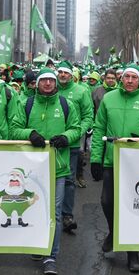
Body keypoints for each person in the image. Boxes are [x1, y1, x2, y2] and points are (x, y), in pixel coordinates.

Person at [91, 65, 139, 273]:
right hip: (111, 160)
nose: (131, 80)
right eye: (127, 77)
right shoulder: (109, 99)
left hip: (137, 163)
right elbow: (99, 129)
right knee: (107, 201)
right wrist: (95, 159)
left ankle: (133, 254)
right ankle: (114, 232)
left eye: (134, 77)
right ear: (120, 79)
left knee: (133, 208)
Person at [10, 68, 81, 275]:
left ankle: (51, 255)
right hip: (31, 169)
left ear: (56, 83)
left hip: (58, 168)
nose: (48, 84)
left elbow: (77, 128)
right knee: (33, 208)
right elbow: (13, 129)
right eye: (44, 81)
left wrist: (67, 137)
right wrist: (29, 133)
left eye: (51, 80)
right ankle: (38, 244)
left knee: (55, 213)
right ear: (37, 84)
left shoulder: (67, 105)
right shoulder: (27, 104)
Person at [55, 61, 94, 234]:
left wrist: (78, 133)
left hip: (70, 145)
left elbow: (88, 116)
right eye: (60, 72)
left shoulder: (81, 91)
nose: (63, 75)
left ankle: (66, 215)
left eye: (66, 72)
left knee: (68, 180)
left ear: (72, 75)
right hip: (49, 144)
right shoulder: (49, 87)